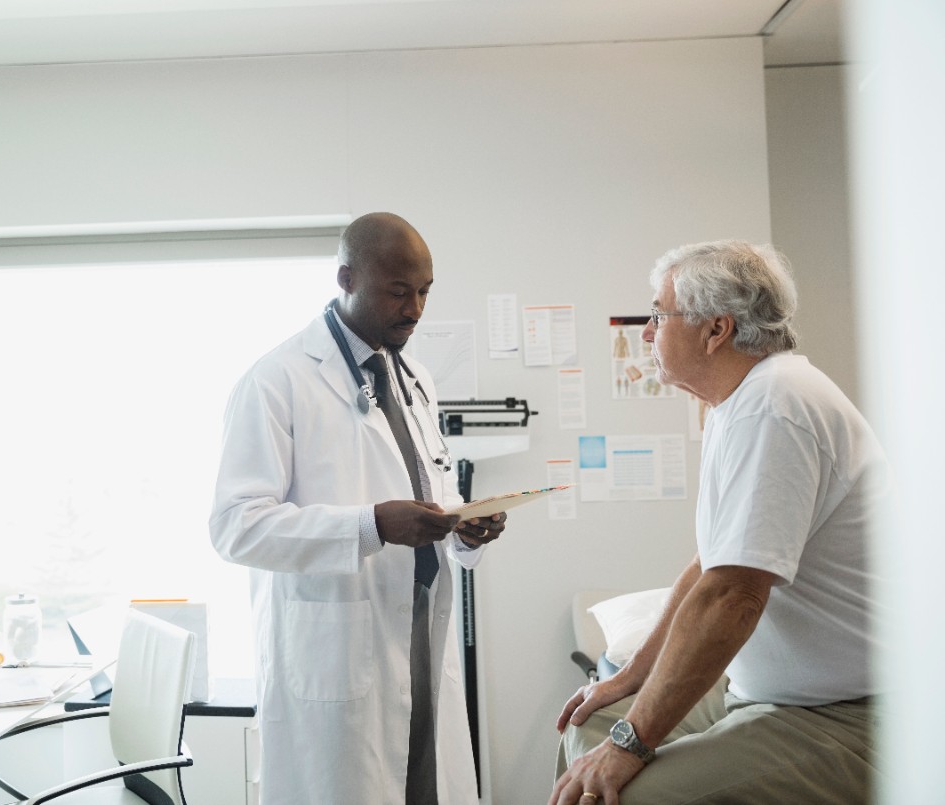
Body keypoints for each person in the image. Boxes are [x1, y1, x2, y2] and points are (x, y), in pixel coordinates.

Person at [550, 240, 887, 805]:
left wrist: (632, 743)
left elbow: (732, 597)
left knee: (627, 794)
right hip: (772, 692)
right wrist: (631, 676)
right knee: (592, 721)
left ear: (716, 331)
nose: (647, 332)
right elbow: (711, 563)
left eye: (658, 314)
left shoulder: (775, 405)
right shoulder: (738, 404)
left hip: (845, 715)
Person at [210, 212, 506, 805]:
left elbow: (428, 492)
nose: (415, 309)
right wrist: (371, 525)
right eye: (399, 291)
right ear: (346, 278)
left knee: (426, 785)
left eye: (424, 291)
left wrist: (462, 531)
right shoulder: (277, 380)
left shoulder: (414, 377)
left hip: (419, 629)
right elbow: (235, 527)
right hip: (340, 648)